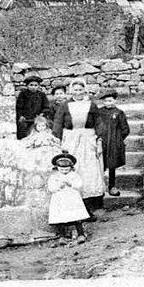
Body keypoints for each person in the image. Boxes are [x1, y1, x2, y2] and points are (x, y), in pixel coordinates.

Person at [52, 80, 106, 217]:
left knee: (90, 171)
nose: (78, 92)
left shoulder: (91, 105)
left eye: (80, 90)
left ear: (85, 90)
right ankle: (76, 208)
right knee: (75, 169)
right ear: (71, 91)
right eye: (75, 90)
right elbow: (58, 122)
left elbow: (99, 122)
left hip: (88, 139)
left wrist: (99, 138)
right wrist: (57, 139)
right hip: (71, 139)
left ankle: (90, 205)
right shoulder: (65, 106)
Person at [48, 152, 91, 244]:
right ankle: (62, 236)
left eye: (67, 169)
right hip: (60, 200)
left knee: (77, 216)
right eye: (62, 169)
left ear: (71, 168)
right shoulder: (54, 177)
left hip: (72, 199)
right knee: (60, 218)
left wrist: (71, 184)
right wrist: (59, 186)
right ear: (57, 168)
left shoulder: (74, 175)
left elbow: (79, 184)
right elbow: (51, 188)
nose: (64, 171)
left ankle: (80, 234)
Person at [98, 90, 130, 196]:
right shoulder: (99, 112)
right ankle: (100, 187)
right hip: (102, 142)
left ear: (115, 101)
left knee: (112, 166)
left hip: (113, 144)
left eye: (110, 101)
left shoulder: (119, 113)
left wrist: (118, 139)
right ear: (103, 102)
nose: (108, 103)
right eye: (106, 101)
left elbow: (125, 129)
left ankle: (112, 186)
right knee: (100, 165)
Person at [16, 75, 52, 140]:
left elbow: (46, 107)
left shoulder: (42, 95)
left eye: (35, 85)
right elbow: (19, 107)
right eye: (31, 85)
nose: (33, 87)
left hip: (37, 119)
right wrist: (20, 116)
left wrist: (42, 114)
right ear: (27, 86)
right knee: (23, 130)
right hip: (26, 119)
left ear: (38, 86)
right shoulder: (23, 94)